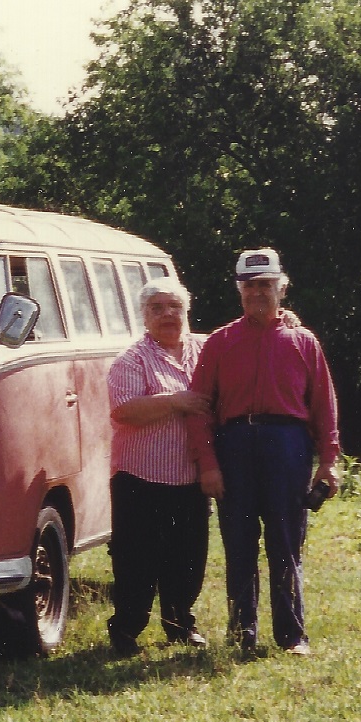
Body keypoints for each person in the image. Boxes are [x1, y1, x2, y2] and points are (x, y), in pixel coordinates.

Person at [191, 249, 340, 655]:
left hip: (287, 445)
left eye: (266, 285)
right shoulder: (219, 343)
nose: (258, 292)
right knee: (239, 545)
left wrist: (329, 461)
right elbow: (200, 408)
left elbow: (323, 405)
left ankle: (292, 636)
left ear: (281, 287)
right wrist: (207, 464)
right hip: (234, 445)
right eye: (250, 286)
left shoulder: (303, 342)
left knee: (286, 543)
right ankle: (243, 636)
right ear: (240, 291)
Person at [104, 279, 211, 657]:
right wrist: (175, 401)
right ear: (144, 316)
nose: (167, 314)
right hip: (140, 479)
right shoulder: (131, 360)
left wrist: (288, 319)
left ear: (186, 311)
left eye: (174, 307)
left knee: (188, 559)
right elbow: (124, 410)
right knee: (137, 561)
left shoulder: (206, 348)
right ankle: (126, 630)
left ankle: (181, 625)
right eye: (157, 308)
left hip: (191, 478)